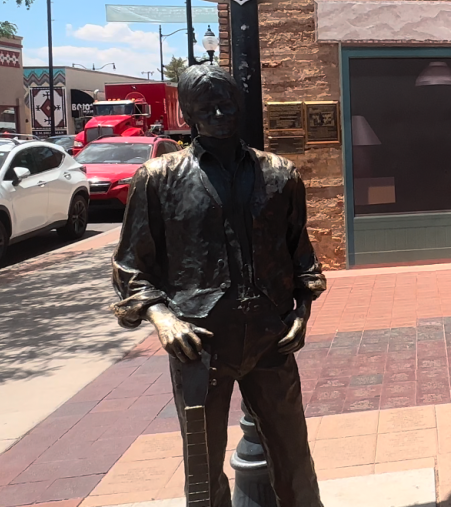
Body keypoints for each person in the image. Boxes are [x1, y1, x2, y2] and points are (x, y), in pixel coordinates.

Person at [111, 64, 326, 507]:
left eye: (227, 104)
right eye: (207, 107)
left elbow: (300, 255)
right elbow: (130, 266)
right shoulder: (158, 178)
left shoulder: (279, 173)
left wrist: (302, 313)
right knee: (203, 470)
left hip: (270, 336)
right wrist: (162, 318)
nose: (220, 114)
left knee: (294, 459)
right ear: (188, 114)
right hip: (199, 342)